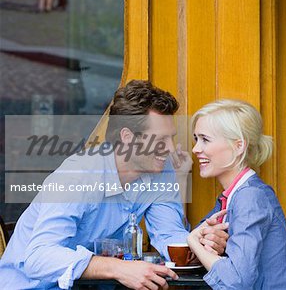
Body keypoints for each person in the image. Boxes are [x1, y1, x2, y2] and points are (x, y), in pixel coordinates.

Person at [0, 80, 227, 290]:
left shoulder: (161, 168)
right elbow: (38, 258)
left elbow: (168, 234)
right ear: (127, 137)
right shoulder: (78, 175)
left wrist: (197, 244)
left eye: (171, 138)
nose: (169, 148)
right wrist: (118, 268)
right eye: (159, 140)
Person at [187, 99, 286, 289]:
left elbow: (236, 281)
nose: (196, 149)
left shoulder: (250, 197)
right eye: (196, 139)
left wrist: (193, 240)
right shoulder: (231, 197)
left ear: (239, 146)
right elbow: (201, 239)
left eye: (205, 139)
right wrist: (205, 240)